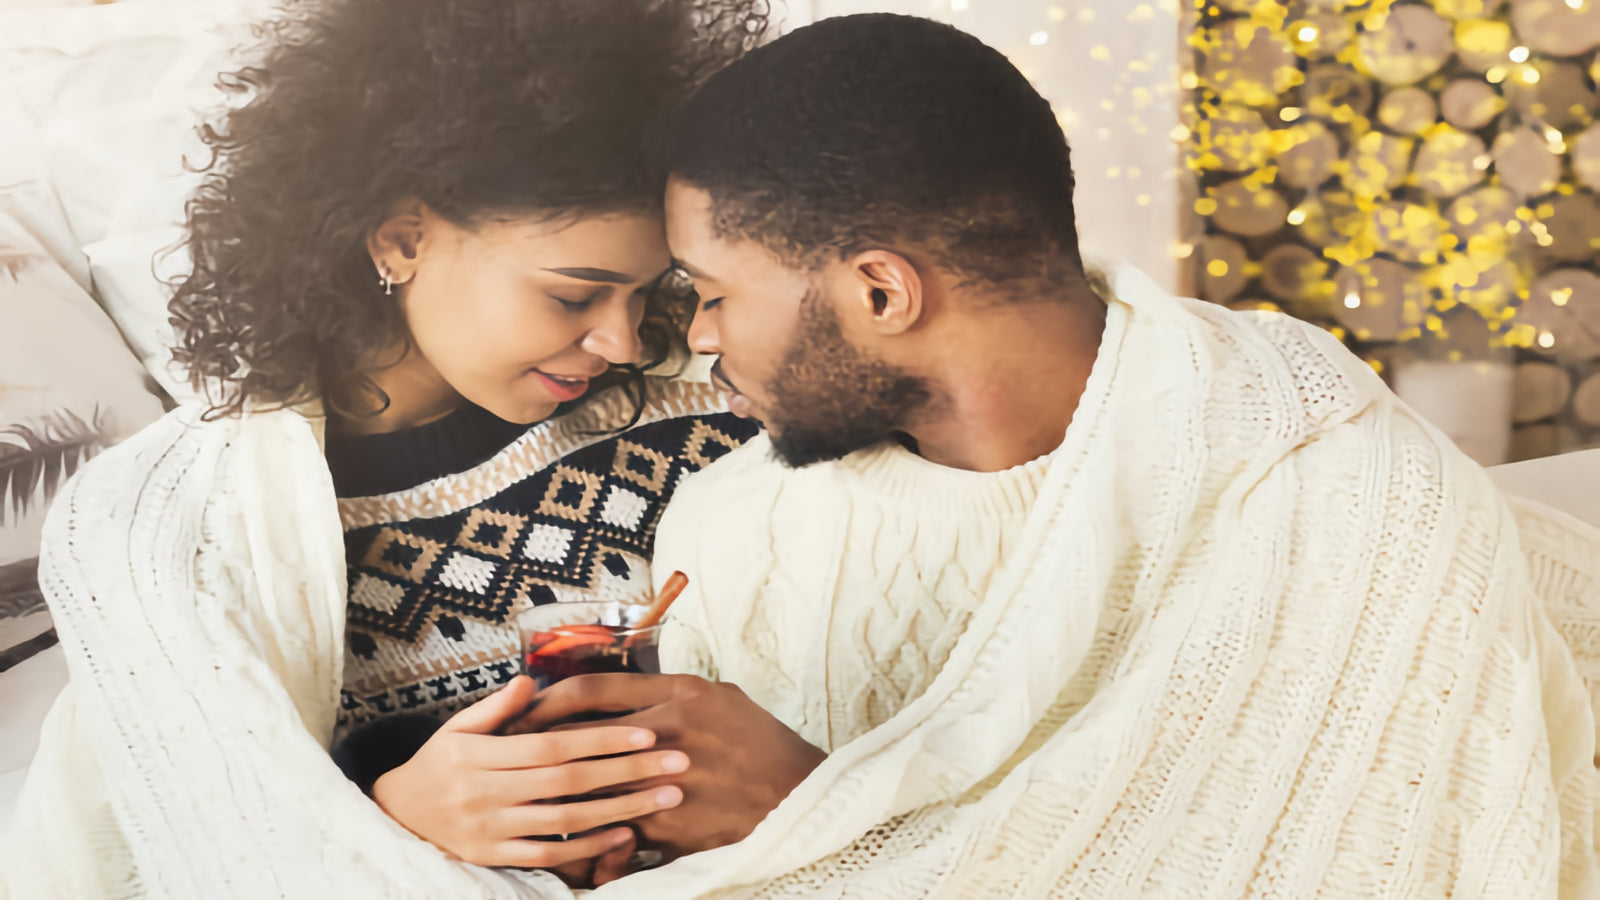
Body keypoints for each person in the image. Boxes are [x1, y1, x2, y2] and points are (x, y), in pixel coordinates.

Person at [519, 14, 1600, 898]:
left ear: (882, 292)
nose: (698, 340)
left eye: (711, 294)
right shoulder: (736, 530)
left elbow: (1361, 848)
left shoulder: (1326, 464)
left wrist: (825, 816)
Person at [1, 1, 765, 896]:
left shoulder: (724, 394)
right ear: (404, 238)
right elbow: (179, 838)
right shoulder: (172, 527)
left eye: (646, 294)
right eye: (573, 297)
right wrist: (394, 816)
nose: (625, 342)